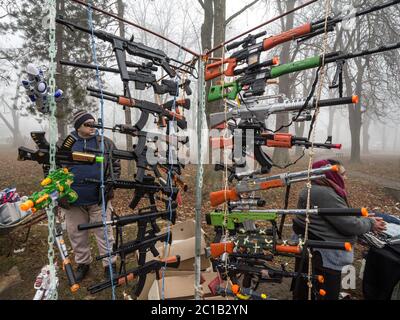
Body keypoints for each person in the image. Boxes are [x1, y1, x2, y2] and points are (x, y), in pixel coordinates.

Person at [291, 159, 387, 300]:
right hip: (323, 257)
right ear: (330, 175)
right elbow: (349, 225)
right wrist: (370, 224)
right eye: (342, 174)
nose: (345, 178)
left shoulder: (315, 188)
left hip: (314, 251)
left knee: (307, 291)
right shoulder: (323, 193)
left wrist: (363, 218)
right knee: (322, 293)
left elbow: (338, 217)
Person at [59, 110, 121, 283]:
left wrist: (110, 184)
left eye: (94, 123)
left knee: (104, 233)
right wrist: (60, 193)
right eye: (88, 124)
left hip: (98, 199)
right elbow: (54, 170)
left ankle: (110, 266)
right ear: (78, 126)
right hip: (72, 201)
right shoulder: (65, 144)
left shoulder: (105, 143)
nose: (93, 127)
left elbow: (115, 166)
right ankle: (83, 264)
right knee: (76, 235)